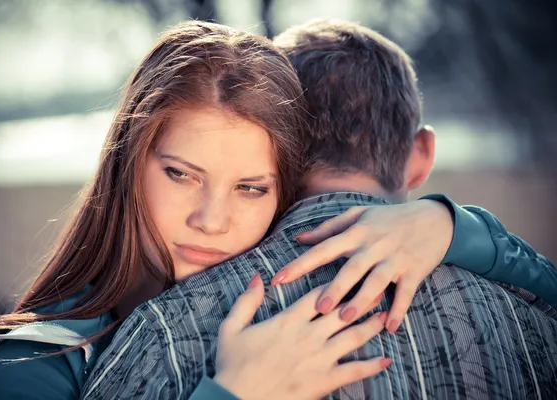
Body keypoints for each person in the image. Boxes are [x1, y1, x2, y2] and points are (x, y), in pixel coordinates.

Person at [80, 19, 557, 399]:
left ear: (278, 153)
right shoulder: (532, 326)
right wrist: (462, 227)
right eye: (180, 173)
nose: (210, 221)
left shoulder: (163, 332)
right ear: (421, 157)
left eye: (247, 186)